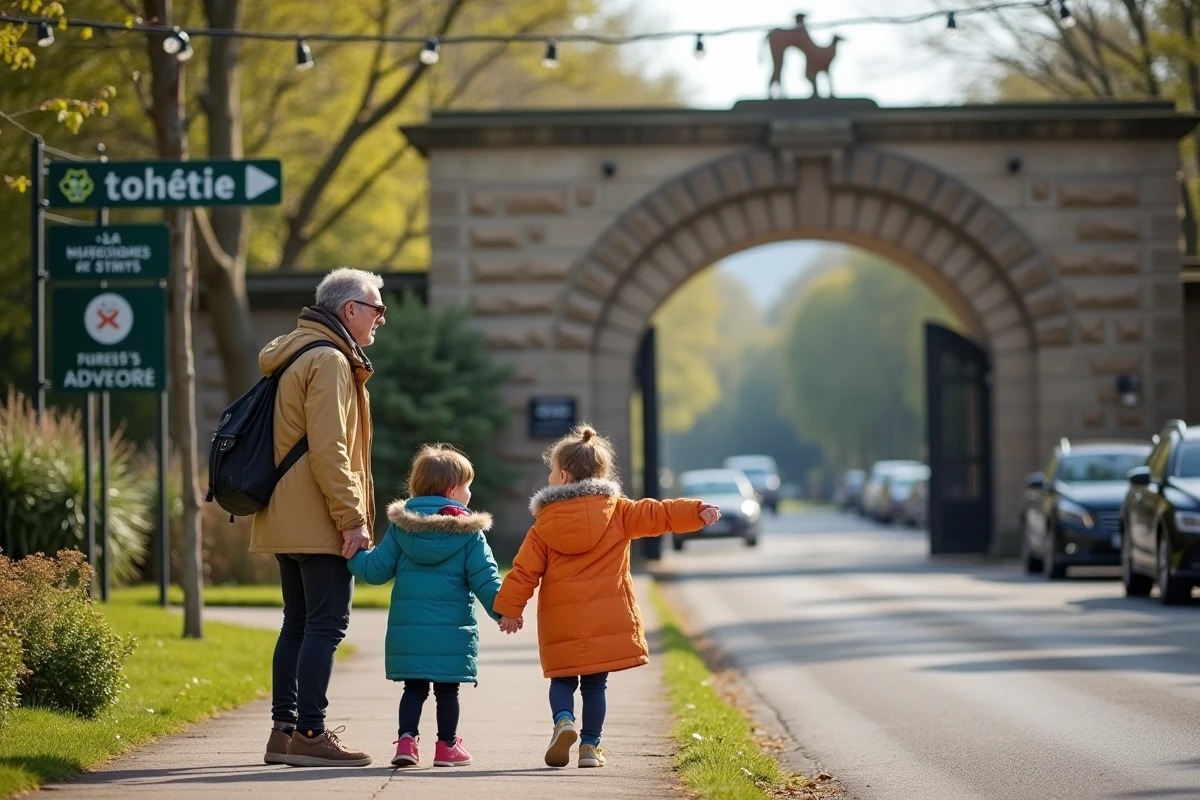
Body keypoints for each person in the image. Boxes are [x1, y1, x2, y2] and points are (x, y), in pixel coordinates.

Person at [493, 424, 721, 769]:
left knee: (562, 679)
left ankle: (564, 720)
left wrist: (510, 610)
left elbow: (524, 571)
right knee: (595, 686)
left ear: (565, 476)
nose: (550, 477)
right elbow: (658, 514)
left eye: (552, 471)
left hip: (561, 620)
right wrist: (696, 510)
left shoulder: (543, 525)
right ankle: (590, 747)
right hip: (607, 618)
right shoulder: (620, 512)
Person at [251, 267, 386, 767]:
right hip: (319, 517)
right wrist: (352, 518)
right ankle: (310, 732)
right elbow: (330, 449)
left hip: (286, 514)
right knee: (325, 626)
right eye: (376, 309)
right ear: (349, 309)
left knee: (298, 623)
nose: (380, 321)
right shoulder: (329, 359)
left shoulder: (293, 352)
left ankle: (283, 733)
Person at [346, 444, 508, 768]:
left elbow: (375, 570)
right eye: (467, 486)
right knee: (448, 693)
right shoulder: (470, 536)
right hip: (451, 635)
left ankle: (407, 741)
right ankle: (447, 747)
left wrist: (353, 554)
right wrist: (506, 611)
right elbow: (486, 581)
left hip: (410, 635)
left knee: (414, 689)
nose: (470, 492)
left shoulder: (401, 528)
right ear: (451, 490)